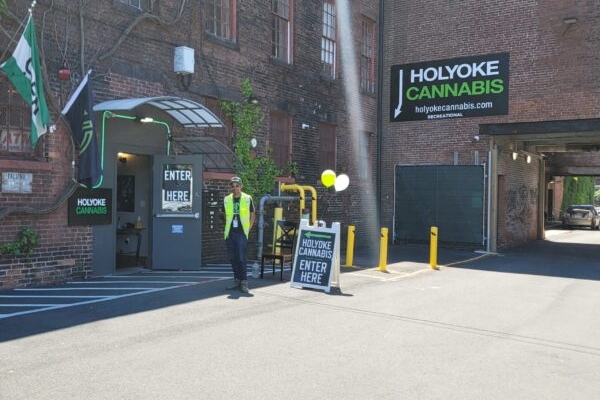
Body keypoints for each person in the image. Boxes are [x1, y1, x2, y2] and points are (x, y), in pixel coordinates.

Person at [222, 176, 256, 293]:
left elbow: (253, 215)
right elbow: (223, 214)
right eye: (232, 186)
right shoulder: (227, 199)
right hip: (230, 233)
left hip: (242, 233)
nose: (235, 188)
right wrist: (226, 226)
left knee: (241, 258)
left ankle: (244, 282)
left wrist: (247, 230)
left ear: (241, 186)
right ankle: (237, 280)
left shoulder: (247, 198)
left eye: (237, 186)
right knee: (232, 258)